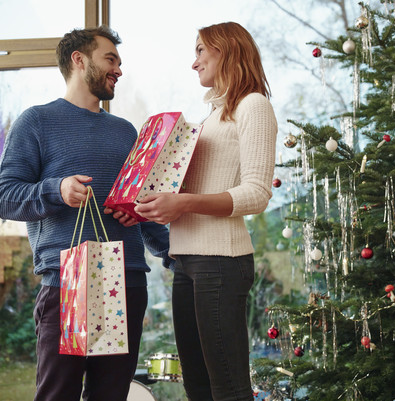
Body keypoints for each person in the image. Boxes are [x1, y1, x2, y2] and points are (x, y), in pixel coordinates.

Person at [0, 25, 173, 401]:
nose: (119, 70)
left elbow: (142, 202)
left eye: (120, 62)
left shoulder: (126, 131)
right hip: (67, 283)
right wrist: (57, 189)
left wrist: (174, 253)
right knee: (57, 394)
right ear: (79, 60)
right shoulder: (36, 122)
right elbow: (6, 196)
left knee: (111, 396)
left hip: (126, 282)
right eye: (110, 59)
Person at [133, 22, 278, 401]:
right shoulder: (209, 120)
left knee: (228, 390)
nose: (193, 62)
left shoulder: (253, 105)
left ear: (226, 50)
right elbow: (194, 191)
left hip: (221, 263)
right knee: (197, 387)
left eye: (200, 51)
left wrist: (182, 203)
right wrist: (151, 201)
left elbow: (257, 194)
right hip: (185, 262)